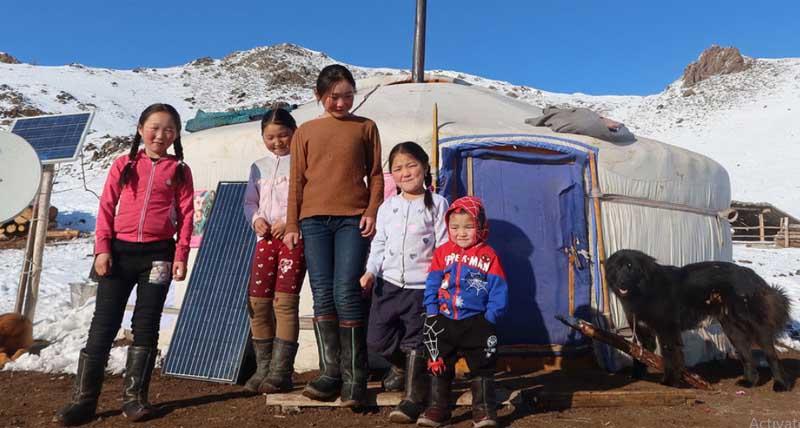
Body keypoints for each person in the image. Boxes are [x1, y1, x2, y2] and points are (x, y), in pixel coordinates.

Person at [56, 103, 194, 426]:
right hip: (119, 253)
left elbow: (188, 215)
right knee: (103, 325)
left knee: (146, 324)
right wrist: (102, 249)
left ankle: (135, 400)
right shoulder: (124, 164)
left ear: (176, 134)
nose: (161, 135)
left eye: (169, 129)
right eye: (154, 128)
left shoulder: (179, 170)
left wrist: (181, 255)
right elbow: (106, 207)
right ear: (140, 129)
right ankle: (83, 401)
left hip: (159, 255)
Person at [283, 64, 383, 407]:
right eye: (333, 97)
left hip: (352, 219)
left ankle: (355, 378)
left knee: (346, 290)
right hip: (313, 220)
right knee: (322, 293)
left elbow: (376, 175)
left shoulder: (365, 127)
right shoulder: (305, 132)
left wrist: (372, 210)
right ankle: (331, 373)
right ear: (319, 95)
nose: (341, 103)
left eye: (347, 96)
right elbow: (296, 181)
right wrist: (292, 224)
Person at [360, 141, 448, 422]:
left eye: (411, 165)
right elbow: (379, 244)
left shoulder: (438, 203)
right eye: (398, 168)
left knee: (416, 342)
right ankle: (404, 368)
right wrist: (370, 271)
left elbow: (443, 245)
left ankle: (411, 399)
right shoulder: (388, 207)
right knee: (377, 339)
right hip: (387, 284)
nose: (405, 172)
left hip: (421, 287)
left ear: (425, 167)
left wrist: (440, 280)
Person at [417, 196, 508, 428]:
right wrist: (431, 311)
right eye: (455, 227)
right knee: (438, 361)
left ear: (480, 226)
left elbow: (498, 289)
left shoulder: (488, 256)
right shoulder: (442, 253)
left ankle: (484, 409)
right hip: (443, 319)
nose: (461, 233)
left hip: (477, 321)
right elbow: (432, 283)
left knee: (483, 364)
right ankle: (438, 407)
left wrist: (490, 317)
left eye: (468, 227)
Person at [242, 108, 307, 394]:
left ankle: (281, 372)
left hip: (292, 238)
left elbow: (309, 198)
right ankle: (263, 369)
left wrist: (289, 221)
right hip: (265, 240)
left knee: (284, 303)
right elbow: (249, 202)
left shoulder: (304, 163)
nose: (277, 142)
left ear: (294, 133)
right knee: (257, 303)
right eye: (270, 137)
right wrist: (256, 219)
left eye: (283, 135)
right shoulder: (258, 167)